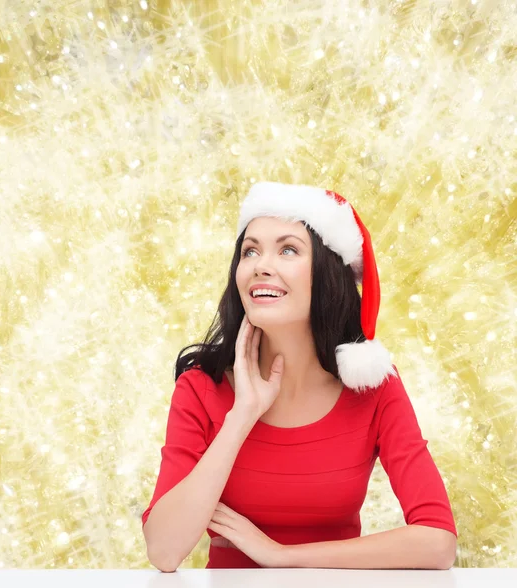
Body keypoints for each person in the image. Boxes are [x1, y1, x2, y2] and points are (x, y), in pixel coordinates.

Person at [141, 182, 458, 572]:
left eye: (288, 249)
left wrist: (281, 556)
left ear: (327, 275)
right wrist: (242, 414)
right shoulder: (200, 387)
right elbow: (163, 550)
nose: (260, 265)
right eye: (250, 250)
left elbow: (437, 542)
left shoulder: (374, 389)